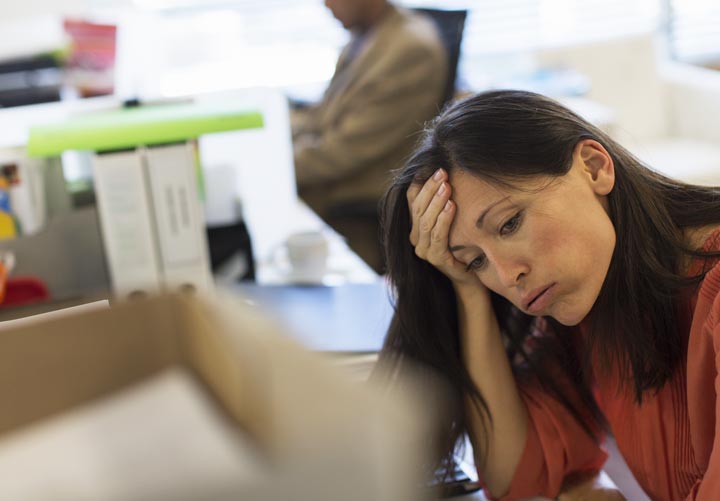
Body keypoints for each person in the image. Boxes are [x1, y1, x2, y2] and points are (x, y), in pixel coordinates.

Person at [377, 89, 720, 500]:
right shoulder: (587, 300)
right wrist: (466, 290)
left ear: (594, 167)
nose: (507, 277)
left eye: (509, 224)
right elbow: (519, 475)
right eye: (476, 261)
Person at [291, 0, 448, 267]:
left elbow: (342, 152)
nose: (325, 5)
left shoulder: (410, 49)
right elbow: (322, 116)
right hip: (333, 180)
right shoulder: (365, 36)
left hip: (357, 197)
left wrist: (273, 168)